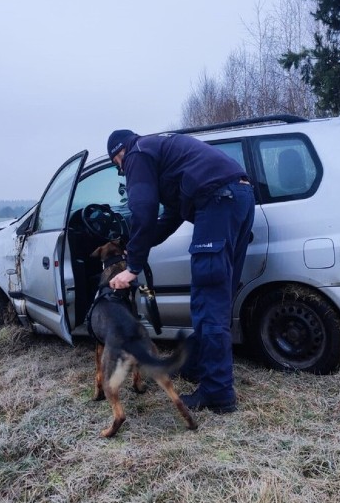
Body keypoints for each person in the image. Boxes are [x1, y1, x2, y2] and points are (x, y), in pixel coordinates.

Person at [106, 129, 255, 413]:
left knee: (208, 299)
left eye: (118, 166)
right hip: (239, 196)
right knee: (218, 298)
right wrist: (134, 246)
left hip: (218, 200)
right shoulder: (164, 155)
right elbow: (169, 218)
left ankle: (218, 392)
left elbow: (144, 209)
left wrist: (133, 267)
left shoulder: (136, 153)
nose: (122, 171)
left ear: (120, 153)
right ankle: (197, 365)